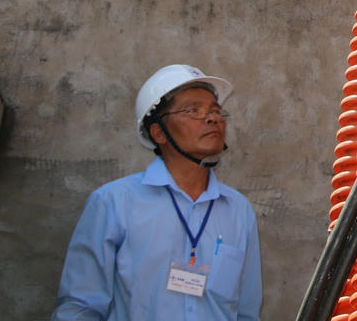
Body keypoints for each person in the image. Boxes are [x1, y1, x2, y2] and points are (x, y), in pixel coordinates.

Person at [53, 64, 262, 319]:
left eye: (216, 111)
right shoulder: (114, 203)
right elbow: (80, 308)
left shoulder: (238, 210)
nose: (212, 119)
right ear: (159, 132)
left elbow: (247, 312)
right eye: (194, 110)